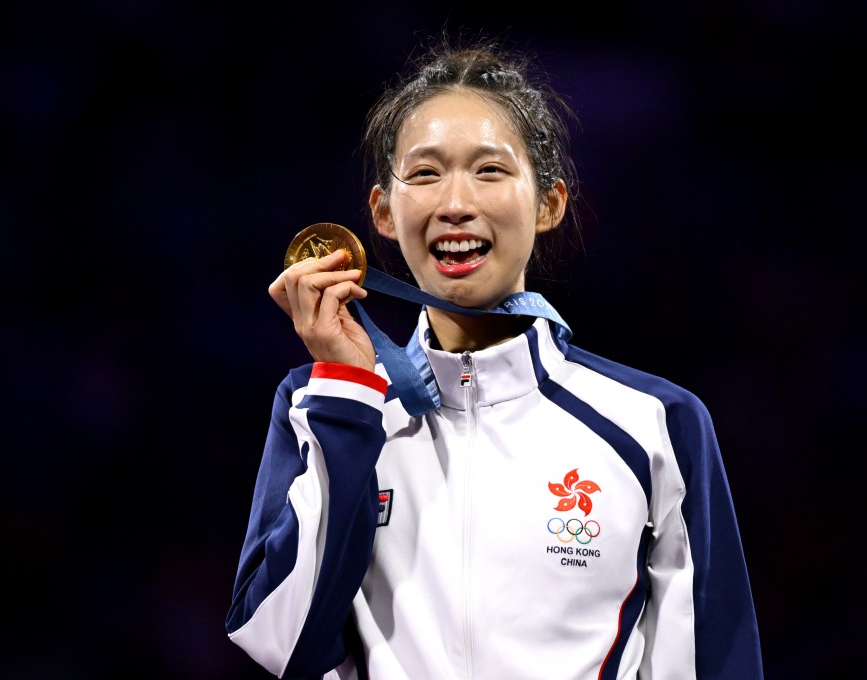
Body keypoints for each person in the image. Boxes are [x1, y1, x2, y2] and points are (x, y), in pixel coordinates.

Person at [225, 35, 763, 680]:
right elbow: (281, 643)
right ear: (383, 213)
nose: (456, 203)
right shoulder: (327, 406)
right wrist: (346, 394)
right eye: (425, 173)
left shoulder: (655, 424)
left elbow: (714, 663)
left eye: (490, 169)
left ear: (549, 204)